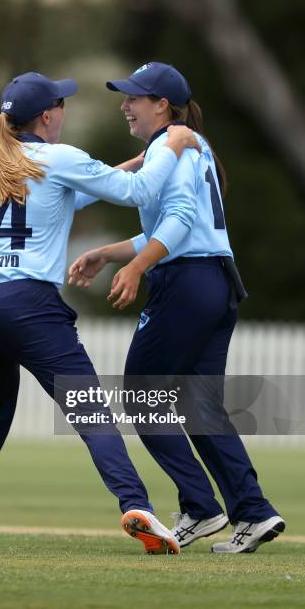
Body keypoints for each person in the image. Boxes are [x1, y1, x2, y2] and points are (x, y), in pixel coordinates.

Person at [0, 70, 201, 554]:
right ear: (46, 116)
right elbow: (137, 195)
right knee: (92, 413)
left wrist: (137, 161)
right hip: (28, 307)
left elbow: (69, 196)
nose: (64, 110)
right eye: (61, 104)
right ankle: (136, 505)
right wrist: (171, 146)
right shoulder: (58, 157)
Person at [69, 62, 285, 554]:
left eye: (134, 98)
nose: (125, 105)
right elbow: (170, 227)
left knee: (142, 398)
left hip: (187, 283)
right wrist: (110, 253)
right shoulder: (183, 145)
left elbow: (182, 222)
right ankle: (253, 512)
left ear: (162, 104)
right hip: (214, 281)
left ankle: (202, 508)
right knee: (198, 406)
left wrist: (139, 267)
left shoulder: (178, 145)